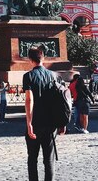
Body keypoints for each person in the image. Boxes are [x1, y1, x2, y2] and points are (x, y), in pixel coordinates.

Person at [23, 46, 66, 181]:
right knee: (49, 159)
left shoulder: (28, 76)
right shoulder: (55, 76)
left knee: (32, 159)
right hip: (51, 123)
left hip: (36, 122)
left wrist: (29, 123)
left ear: (30, 59)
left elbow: (29, 99)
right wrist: (62, 122)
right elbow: (61, 101)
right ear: (43, 58)